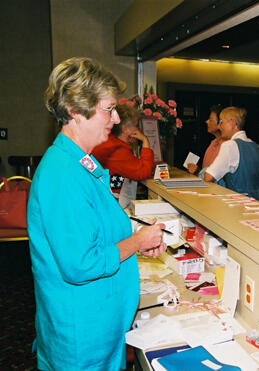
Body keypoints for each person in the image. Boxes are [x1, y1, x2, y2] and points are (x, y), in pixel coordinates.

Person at [27, 57, 167, 370]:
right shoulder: (62, 175)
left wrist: (136, 238)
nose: (116, 118)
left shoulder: (81, 163)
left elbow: (94, 226)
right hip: (82, 338)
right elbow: (80, 264)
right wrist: (137, 242)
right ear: (76, 110)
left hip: (99, 327)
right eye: (108, 108)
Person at [92, 103, 155, 197]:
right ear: (125, 129)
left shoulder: (109, 141)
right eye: (136, 125)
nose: (138, 129)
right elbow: (143, 172)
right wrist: (145, 141)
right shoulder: (117, 150)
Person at [204, 106, 259, 202]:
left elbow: (208, 177)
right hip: (257, 204)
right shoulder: (257, 147)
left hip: (237, 205)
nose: (219, 127)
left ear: (232, 123)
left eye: (221, 122)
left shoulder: (229, 146)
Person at [186, 104, 226, 185]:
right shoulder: (213, 143)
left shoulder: (227, 146)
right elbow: (207, 173)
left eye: (210, 120)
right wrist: (197, 171)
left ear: (220, 124)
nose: (207, 121)